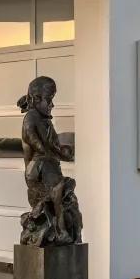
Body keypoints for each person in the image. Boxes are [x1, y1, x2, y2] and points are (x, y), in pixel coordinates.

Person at [18, 75, 82, 246]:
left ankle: (63, 229)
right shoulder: (31, 117)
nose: (52, 105)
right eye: (49, 100)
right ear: (36, 99)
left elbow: (53, 147)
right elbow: (35, 141)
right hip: (37, 170)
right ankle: (61, 230)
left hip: (48, 166)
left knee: (65, 193)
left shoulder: (45, 121)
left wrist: (65, 154)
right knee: (58, 188)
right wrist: (53, 150)